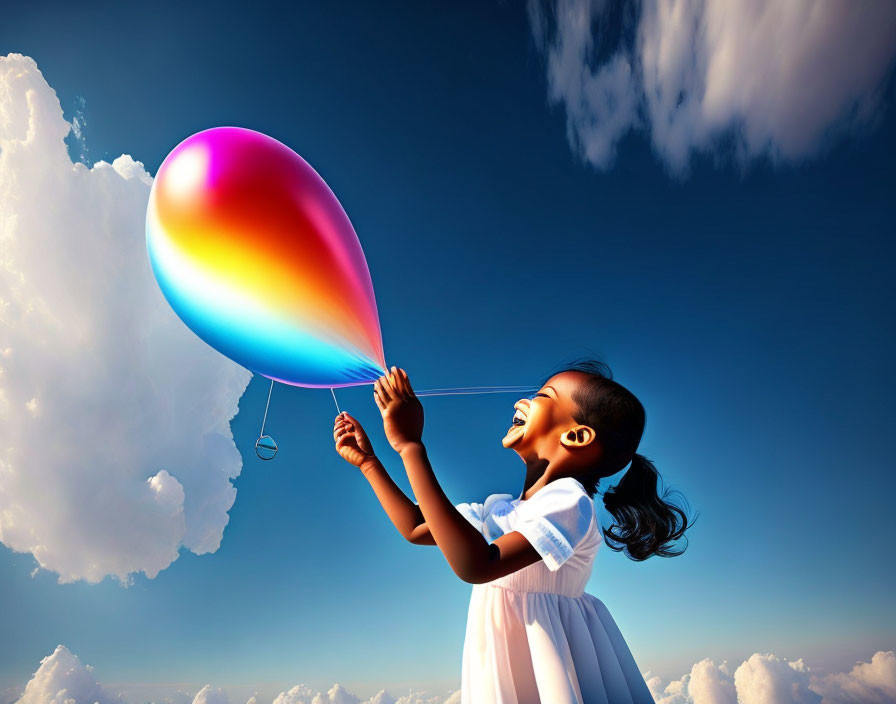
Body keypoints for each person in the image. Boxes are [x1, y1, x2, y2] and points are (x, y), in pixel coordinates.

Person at [333, 360, 692, 704]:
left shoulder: (569, 502)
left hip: (548, 662)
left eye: (543, 397)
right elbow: (415, 526)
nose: (524, 400)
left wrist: (410, 447)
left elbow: (476, 565)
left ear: (577, 435)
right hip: (500, 662)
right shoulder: (499, 509)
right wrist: (369, 462)